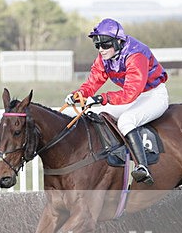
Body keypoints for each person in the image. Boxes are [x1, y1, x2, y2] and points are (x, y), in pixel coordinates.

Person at [65, 18, 169, 185]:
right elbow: (93, 82)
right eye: (97, 45)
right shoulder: (104, 57)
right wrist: (78, 95)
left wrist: (102, 98)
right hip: (131, 97)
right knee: (93, 114)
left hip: (153, 96)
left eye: (105, 45)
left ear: (118, 42)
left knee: (127, 121)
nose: (101, 49)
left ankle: (142, 167)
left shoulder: (136, 55)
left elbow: (130, 92)